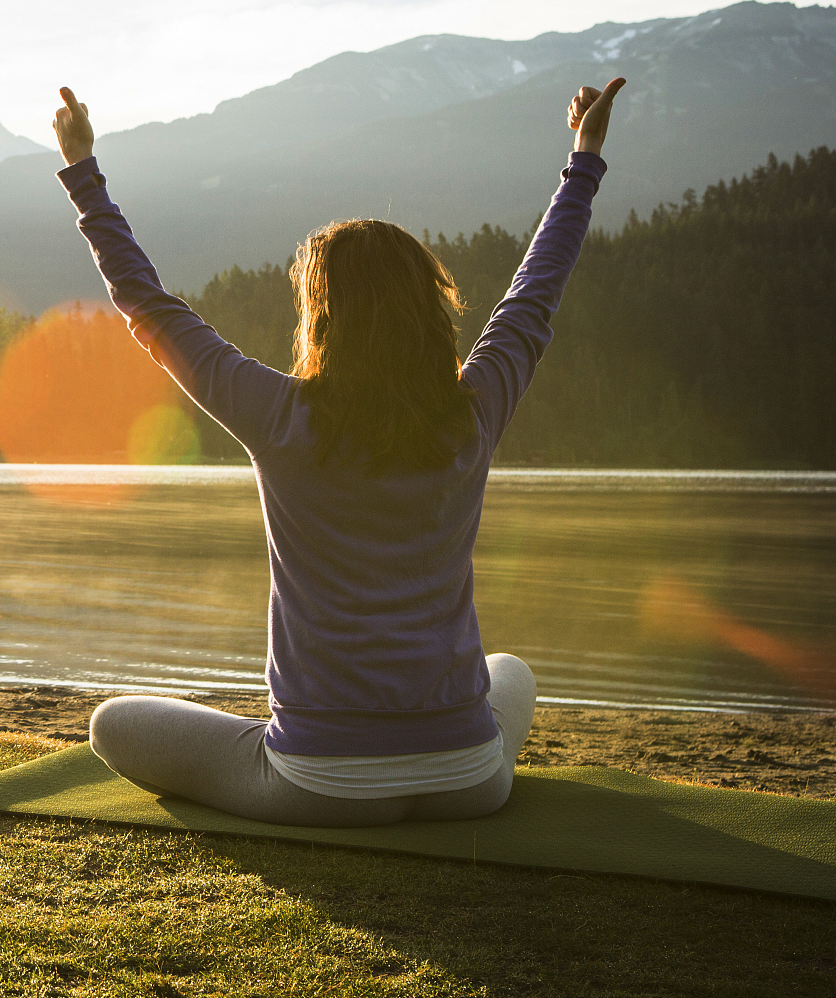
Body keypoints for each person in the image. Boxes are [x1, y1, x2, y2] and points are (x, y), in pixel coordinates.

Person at [51, 74, 625, 827]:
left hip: (321, 783)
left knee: (111, 723)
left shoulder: (280, 415)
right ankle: (445, 750)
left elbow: (147, 306)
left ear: (321, 319)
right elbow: (534, 293)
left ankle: (313, 751)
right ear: (430, 312)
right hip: (471, 777)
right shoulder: (472, 411)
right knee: (510, 672)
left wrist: (83, 172)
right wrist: (584, 155)